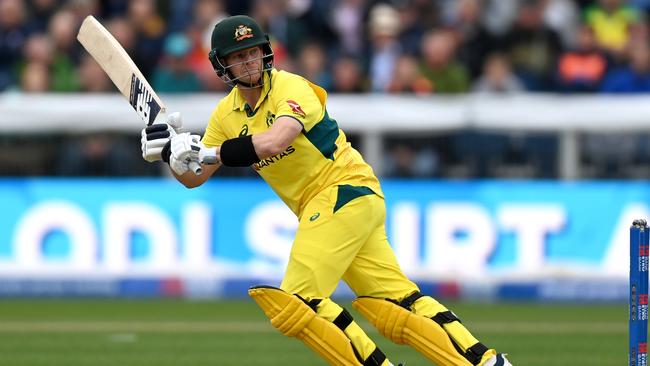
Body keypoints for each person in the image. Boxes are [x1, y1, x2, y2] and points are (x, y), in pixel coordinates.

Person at [139, 15, 513, 366]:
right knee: (395, 305)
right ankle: (487, 361)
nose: (250, 62)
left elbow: (274, 140)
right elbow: (195, 178)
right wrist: (171, 154)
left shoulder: (291, 86)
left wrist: (204, 150)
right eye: (239, 56)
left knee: (297, 304)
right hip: (342, 206)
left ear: (265, 52)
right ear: (223, 65)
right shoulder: (226, 115)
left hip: (342, 190)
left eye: (253, 52)